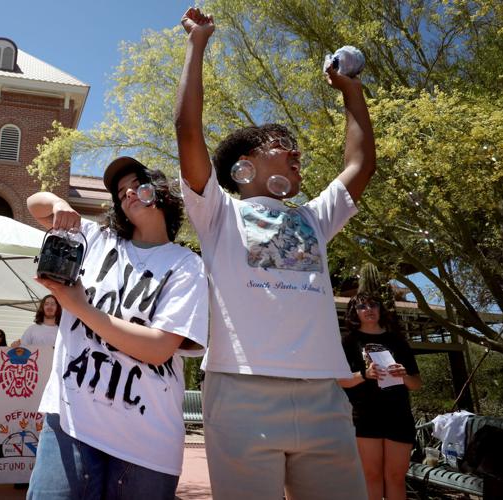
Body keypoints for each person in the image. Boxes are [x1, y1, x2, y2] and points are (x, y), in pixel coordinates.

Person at [174, 7, 377, 499]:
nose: (296, 152)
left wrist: (351, 91)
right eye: (281, 144)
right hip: (241, 392)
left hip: (324, 397)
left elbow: (361, 163)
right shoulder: (217, 212)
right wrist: (197, 44)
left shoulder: (312, 217)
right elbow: (187, 131)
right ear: (244, 167)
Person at [25, 157, 209, 500]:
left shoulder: (187, 265)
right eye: (120, 193)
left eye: (136, 185)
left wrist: (79, 307)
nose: (127, 195)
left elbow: (158, 348)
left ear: (160, 192)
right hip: (71, 422)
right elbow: (34, 204)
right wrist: (60, 204)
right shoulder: (96, 239)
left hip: (147, 441)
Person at [339, 293, 421, 500]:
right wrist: (364, 375)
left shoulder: (397, 341)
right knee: (371, 475)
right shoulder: (349, 342)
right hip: (366, 416)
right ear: (354, 313)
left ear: (380, 309)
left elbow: (416, 383)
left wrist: (403, 376)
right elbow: (339, 381)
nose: (368, 309)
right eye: (362, 306)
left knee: (395, 476)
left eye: (373, 305)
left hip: (398, 416)